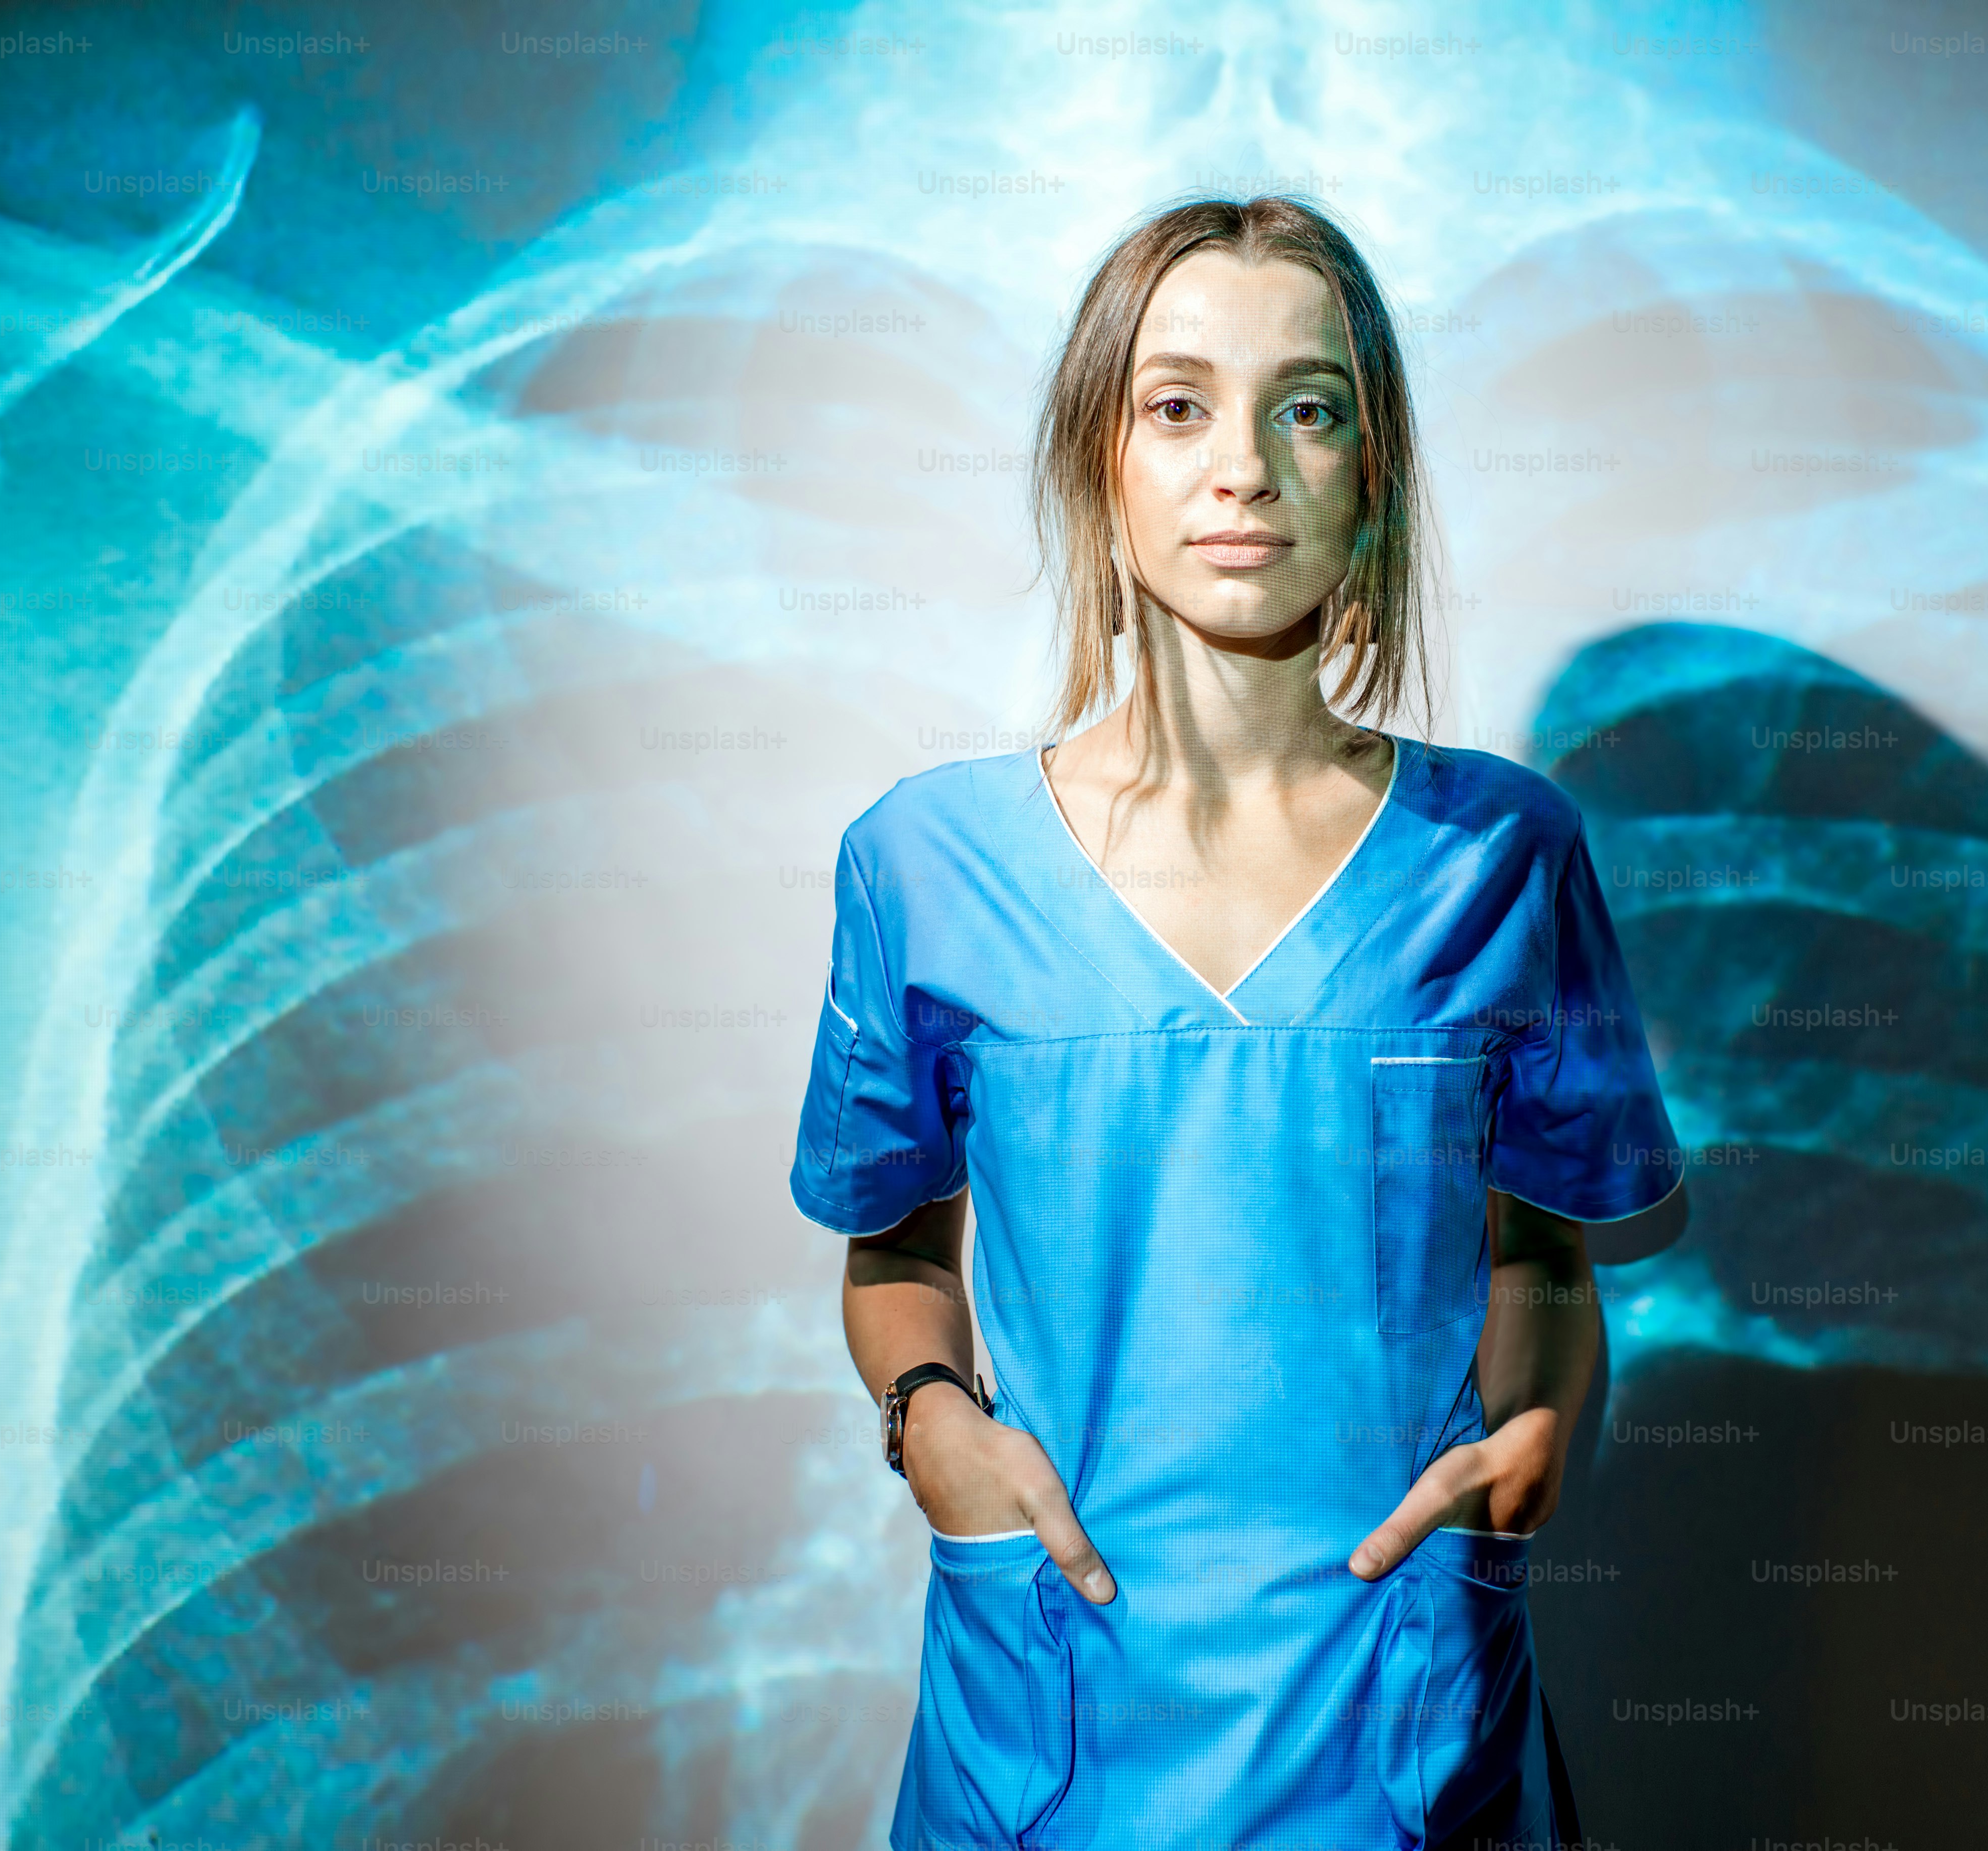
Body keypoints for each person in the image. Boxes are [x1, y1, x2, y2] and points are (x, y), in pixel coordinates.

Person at [792, 194, 1685, 1851]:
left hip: (1396, 1711)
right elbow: (897, 1253)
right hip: (1055, 1702)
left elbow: (1545, 1259)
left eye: (1311, 406)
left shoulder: (1504, 854)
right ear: (1099, 467)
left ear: (1376, 475)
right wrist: (935, 1432)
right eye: (1179, 403)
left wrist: (1541, 1425)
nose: (1246, 466)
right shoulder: (923, 860)